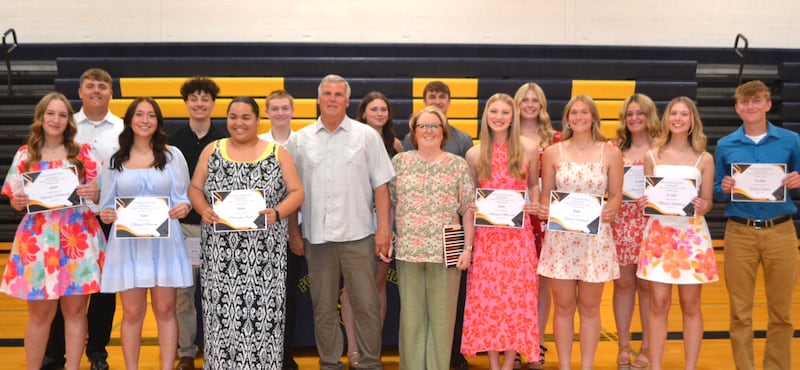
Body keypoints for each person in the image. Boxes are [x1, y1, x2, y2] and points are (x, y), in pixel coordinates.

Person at [285, 74, 395, 370]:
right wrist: (294, 231)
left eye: (338, 94)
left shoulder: (367, 136)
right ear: (318, 99)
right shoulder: (299, 139)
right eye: (327, 93)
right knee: (322, 308)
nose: (332, 98)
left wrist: (384, 230)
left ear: (348, 101)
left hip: (359, 236)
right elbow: (292, 191)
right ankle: (329, 363)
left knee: (367, 306)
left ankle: (370, 363)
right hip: (317, 239)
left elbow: (382, 187)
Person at [188, 96, 304, 369]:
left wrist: (277, 212)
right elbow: (194, 189)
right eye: (233, 117)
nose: (238, 123)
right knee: (222, 319)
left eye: (245, 117)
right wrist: (203, 208)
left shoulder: (277, 153)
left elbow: (297, 192)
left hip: (264, 258)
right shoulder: (211, 151)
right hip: (221, 259)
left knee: (264, 320)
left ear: (257, 120)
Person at [1, 92, 105, 370]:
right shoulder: (26, 154)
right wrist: (18, 200)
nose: (56, 119)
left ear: (69, 120)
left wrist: (92, 191)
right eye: (51, 113)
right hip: (38, 240)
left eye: (62, 114)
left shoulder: (82, 153)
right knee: (40, 314)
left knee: (74, 312)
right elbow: (14, 198)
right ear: (41, 117)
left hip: (77, 238)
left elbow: (100, 192)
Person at [98, 97, 194, 370]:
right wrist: (106, 214)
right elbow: (106, 204)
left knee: (165, 310)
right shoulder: (116, 158)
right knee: (131, 312)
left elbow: (182, 198)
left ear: (158, 121)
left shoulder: (173, 155)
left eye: (151, 115)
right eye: (139, 114)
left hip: (164, 243)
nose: (145, 120)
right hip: (128, 245)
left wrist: (182, 208)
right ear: (129, 120)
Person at [714, 80, 800, 370]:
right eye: (744, 102)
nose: (750, 107)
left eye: (756, 101)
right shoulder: (725, 145)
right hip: (740, 233)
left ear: (767, 104)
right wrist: (723, 187)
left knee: (781, 314)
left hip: (781, 231)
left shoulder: (791, 141)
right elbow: (716, 189)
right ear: (737, 108)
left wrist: (798, 180)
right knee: (740, 313)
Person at [42, 68, 123, 370]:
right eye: (90, 86)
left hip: (108, 216)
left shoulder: (123, 128)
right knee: (65, 288)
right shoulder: (65, 125)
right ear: (80, 92)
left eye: (102, 86)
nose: (96, 91)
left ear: (111, 93)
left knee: (104, 291)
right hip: (69, 220)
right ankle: (55, 352)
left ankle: (98, 352)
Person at [537, 94, 623, 370]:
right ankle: (564, 365)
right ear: (567, 119)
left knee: (589, 307)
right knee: (562, 307)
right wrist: (544, 210)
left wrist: (611, 209)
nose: (579, 117)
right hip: (561, 239)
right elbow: (545, 197)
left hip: (595, 239)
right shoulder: (553, 152)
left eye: (584, 112)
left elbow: (617, 197)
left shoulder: (610, 152)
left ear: (594, 117)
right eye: (574, 113)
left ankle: (586, 366)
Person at [636, 96, 717, 370]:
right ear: (666, 119)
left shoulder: (704, 159)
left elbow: (707, 203)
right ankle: (656, 365)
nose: (678, 119)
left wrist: (702, 204)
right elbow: (648, 196)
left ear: (693, 120)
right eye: (674, 114)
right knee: (658, 303)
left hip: (691, 237)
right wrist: (643, 203)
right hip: (659, 235)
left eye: (684, 114)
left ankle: (690, 366)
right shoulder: (651, 156)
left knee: (691, 304)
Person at [462, 93, 541, 370]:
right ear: (486, 116)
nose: (499, 117)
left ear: (513, 117)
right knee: (489, 302)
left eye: (505, 112)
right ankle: (494, 364)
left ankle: (509, 363)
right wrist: (469, 243)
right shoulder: (474, 153)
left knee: (515, 301)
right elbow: (471, 199)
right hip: (487, 241)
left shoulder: (529, 148)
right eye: (493, 111)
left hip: (518, 239)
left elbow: (533, 186)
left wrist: (535, 203)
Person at [392, 106, 474, 370]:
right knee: (412, 319)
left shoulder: (458, 165)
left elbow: (468, 210)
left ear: (443, 132)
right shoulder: (400, 163)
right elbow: (388, 204)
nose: (428, 131)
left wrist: (468, 249)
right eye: (422, 126)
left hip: (447, 251)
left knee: (442, 319)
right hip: (409, 249)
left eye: (434, 126)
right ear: (414, 133)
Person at [340, 91, 402, 366]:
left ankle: (371, 347)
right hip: (354, 220)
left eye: (383, 109)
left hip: (384, 221)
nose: (379, 113)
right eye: (373, 109)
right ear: (363, 112)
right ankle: (353, 347)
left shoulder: (396, 145)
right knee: (352, 286)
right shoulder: (351, 140)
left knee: (378, 284)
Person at [169, 77, 227, 370]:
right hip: (184, 228)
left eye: (205, 98)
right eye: (194, 98)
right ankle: (187, 352)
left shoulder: (225, 139)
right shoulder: (174, 140)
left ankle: (217, 347)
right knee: (184, 295)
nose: (200, 103)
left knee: (217, 290)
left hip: (218, 227)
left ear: (213, 104)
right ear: (187, 103)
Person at [610, 94, 660, 369]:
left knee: (648, 289)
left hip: (653, 225)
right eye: (629, 114)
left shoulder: (662, 150)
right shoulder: (615, 150)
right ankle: (623, 347)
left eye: (640, 113)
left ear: (650, 115)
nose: (634, 118)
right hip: (622, 223)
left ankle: (648, 347)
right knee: (623, 285)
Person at [512, 82, 559, 370]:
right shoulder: (507, 137)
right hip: (516, 216)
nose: (530, 105)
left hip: (547, 215)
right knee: (518, 284)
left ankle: (537, 344)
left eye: (535, 100)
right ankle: (516, 345)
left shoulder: (556, 138)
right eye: (524, 100)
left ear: (542, 105)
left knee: (542, 284)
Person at [258, 89, 302, 370]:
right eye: (274, 108)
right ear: (267, 112)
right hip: (264, 231)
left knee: (288, 296)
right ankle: (264, 353)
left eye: (285, 108)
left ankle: (285, 354)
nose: (280, 113)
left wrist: (295, 231)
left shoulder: (305, 142)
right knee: (265, 295)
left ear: (293, 110)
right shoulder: (258, 143)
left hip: (297, 229)